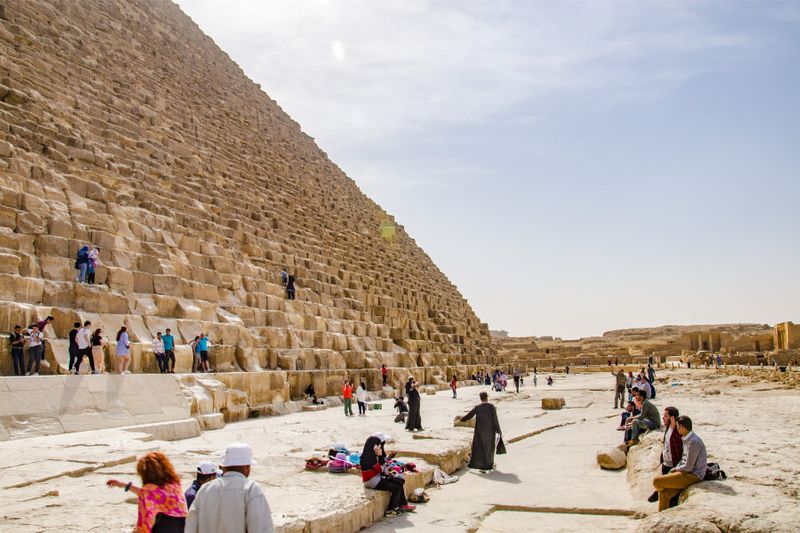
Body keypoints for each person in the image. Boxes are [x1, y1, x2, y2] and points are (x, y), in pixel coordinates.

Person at [185, 442, 275, 533]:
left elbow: (190, 527)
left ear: (223, 467)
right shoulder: (251, 490)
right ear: (247, 467)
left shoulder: (204, 490)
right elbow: (261, 528)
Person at [106, 451, 188, 533]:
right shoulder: (174, 486)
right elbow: (156, 496)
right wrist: (124, 485)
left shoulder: (147, 492)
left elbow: (145, 525)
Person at [652, 416, 707, 512]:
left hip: (693, 475)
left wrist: (676, 469)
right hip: (686, 472)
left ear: (681, 426)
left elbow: (689, 467)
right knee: (664, 494)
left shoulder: (693, 442)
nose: (677, 428)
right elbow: (683, 460)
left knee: (656, 481)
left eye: (677, 426)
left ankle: (658, 491)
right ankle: (662, 517)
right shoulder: (687, 438)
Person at [360, 433, 414, 517]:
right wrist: (380, 456)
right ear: (374, 446)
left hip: (374, 478)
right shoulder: (369, 458)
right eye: (378, 446)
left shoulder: (367, 455)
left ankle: (402, 504)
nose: (380, 447)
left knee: (399, 480)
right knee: (398, 484)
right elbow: (381, 469)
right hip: (373, 482)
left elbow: (382, 469)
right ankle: (392, 509)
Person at [460, 392, 503, 473]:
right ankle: (489, 465)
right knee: (490, 448)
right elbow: (495, 419)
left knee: (480, 448)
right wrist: (499, 430)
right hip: (490, 431)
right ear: (487, 398)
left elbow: (469, 415)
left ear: (480, 398)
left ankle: (481, 466)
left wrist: (461, 420)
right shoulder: (491, 407)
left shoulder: (477, 407)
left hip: (480, 431)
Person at [648, 406, 683, 503]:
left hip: (674, 466)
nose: (663, 418)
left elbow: (681, 451)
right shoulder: (668, 428)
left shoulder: (678, 431)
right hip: (666, 464)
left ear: (672, 418)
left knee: (671, 495)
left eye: (665, 416)